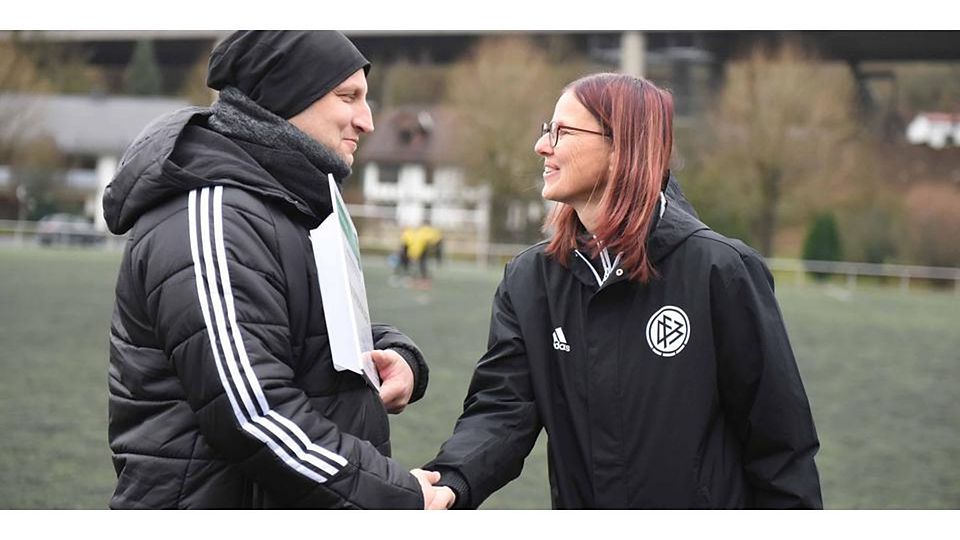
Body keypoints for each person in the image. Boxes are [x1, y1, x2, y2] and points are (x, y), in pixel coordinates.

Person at [423, 73, 823, 509]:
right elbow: (502, 411)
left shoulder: (720, 270)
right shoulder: (529, 280)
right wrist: (452, 481)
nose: (542, 146)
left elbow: (781, 450)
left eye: (563, 132)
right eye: (546, 130)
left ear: (622, 148)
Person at [102, 31, 453, 509]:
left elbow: (287, 331)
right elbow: (254, 413)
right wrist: (395, 498)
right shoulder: (213, 213)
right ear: (287, 96)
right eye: (347, 96)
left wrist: (393, 352)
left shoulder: (281, 204)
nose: (367, 121)